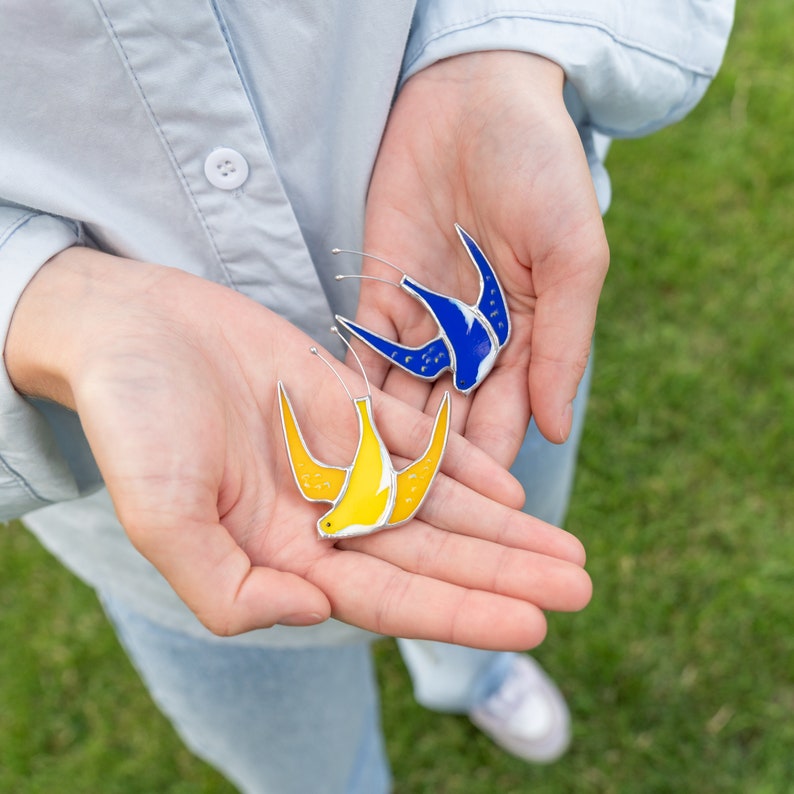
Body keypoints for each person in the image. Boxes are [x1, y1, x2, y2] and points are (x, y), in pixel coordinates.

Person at [0, 3, 734, 793]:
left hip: (486, 381)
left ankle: (475, 677)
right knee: (297, 756)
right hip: (148, 484)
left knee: (490, 556)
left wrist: (504, 48)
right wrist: (42, 302)